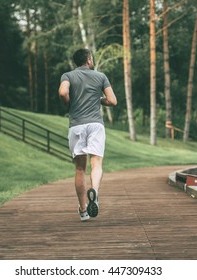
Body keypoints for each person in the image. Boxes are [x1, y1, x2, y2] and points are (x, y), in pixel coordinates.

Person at [58, 48, 117, 221]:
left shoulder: (67, 76)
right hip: (95, 125)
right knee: (96, 163)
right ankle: (95, 192)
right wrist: (98, 100)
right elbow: (113, 100)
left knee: (80, 169)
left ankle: (83, 211)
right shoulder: (100, 76)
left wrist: (69, 103)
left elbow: (63, 92)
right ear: (89, 60)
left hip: (76, 125)